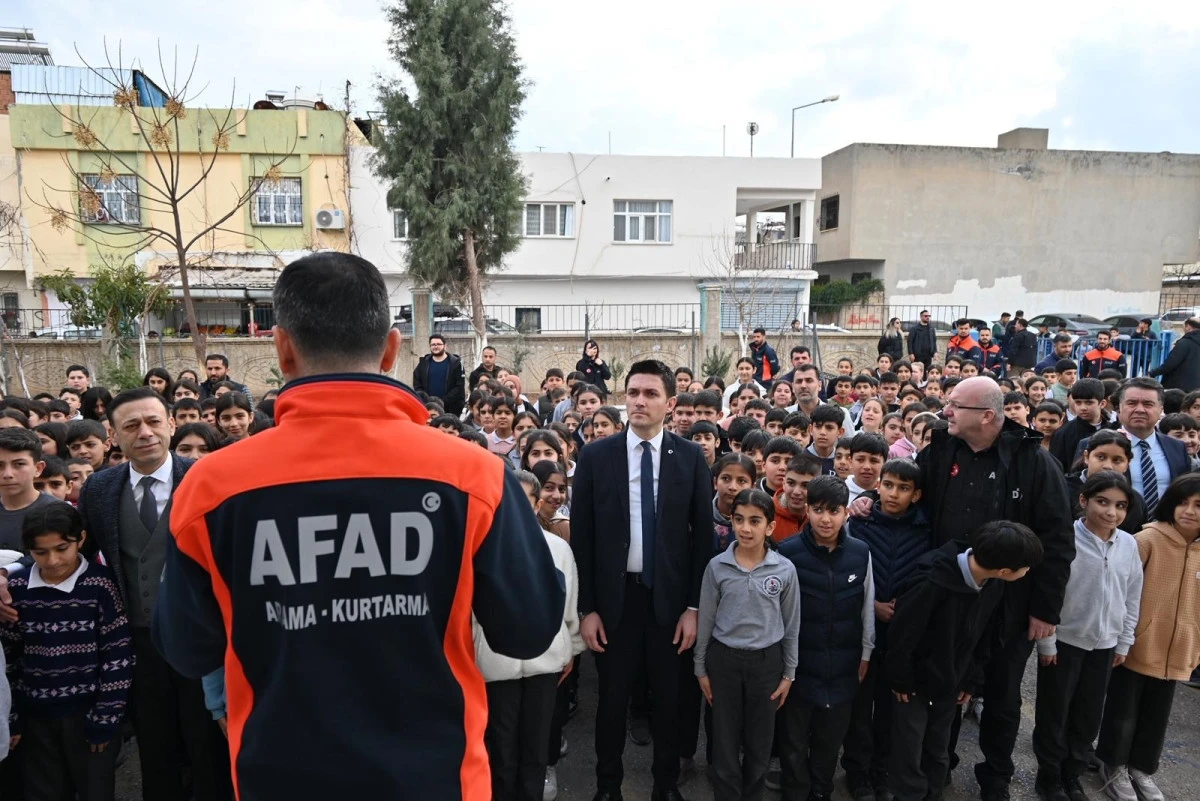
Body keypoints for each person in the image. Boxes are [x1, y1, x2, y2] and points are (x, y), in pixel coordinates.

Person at [150, 253, 565, 800]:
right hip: (437, 779)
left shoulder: (211, 488)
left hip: (278, 777)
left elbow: (185, 649)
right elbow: (529, 628)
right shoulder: (475, 477)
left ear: (282, 348)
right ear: (392, 349)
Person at [61, 387, 235, 801]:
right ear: (113, 436)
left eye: (154, 421)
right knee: (155, 745)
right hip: (136, 641)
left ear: (171, 425)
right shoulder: (100, 489)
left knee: (206, 743)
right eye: (131, 425)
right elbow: (80, 552)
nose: (145, 433)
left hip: (201, 638)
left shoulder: (207, 478)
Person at [916, 377, 1074, 801]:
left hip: (1011, 604)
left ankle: (996, 777)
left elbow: (1057, 543)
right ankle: (938, 765)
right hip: (951, 597)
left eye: (955, 405)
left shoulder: (1034, 463)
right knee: (944, 685)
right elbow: (911, 500)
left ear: (987, 416)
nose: (945, 411)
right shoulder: (941, 450)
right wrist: (868, 503)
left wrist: (1045, 610)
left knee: (1003, 697)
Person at [571, 359, 713, 801]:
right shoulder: (596, 457)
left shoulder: (689, 458)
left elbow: (702, 541)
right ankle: (608, 787)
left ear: (670, 404)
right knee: (611, 703)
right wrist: (587, 608)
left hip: (670, 605)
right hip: (616, 602)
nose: (639, 401)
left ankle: (665, 786)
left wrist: (693, 608)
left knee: (669, 702)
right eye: (633, 392)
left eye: (651, 394)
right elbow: (584, 539)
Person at [886, 522, 1045, 801]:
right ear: (1005, 571)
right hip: (912, 687)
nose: (1027, 572)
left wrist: (972, 678)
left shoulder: (992, 585)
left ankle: (932, 794)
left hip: (951, 684)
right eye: (1025, 568)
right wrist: (901, 679)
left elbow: (982, 638)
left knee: (938, 748)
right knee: (908, 750)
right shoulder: (931, 581)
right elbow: (902, 634)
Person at [0, 501, 133, 801]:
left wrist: (107, 717)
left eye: (62, 548)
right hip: (36, 721)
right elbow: (9, 658)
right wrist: (12, 717)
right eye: (41, 552)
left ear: (81, 540)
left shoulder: (100, 585)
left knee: (95, 791)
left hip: (88, 717)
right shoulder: (16, 588)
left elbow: (118, 654)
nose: (54, 560)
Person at [1033, 472, 1142, 801]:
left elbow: (1132, 594)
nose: (1111, 512)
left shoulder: (1129, 544)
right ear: (1083, 501)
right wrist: (1047, 641)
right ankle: (1049, 776)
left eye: (1120, 506)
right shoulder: (1067, 540)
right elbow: (1049, 595)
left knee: (1087, 715)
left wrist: (1124, 640)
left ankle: (1073, 773)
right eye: (1103, 502)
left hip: (1105, 644)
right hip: (1065, 642)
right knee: (1055, 713)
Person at [478, 469, 583, 801]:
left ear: (538, 503)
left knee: (536, 747)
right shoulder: (480, 547)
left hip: (546, 662)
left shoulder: (557, 549)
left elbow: (568, 606)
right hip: (496, 664)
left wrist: (570, 648)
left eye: (525, 500)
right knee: (502, 747)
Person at [1096, 474, 1200, 801]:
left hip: (1180, 646)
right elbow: (1120, 590)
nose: (1190, 511)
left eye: (1199, 505)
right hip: (1139, 642)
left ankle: (1142, 767)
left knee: (1158, 714)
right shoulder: (1148, 540)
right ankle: (1112, 764)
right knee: (1123, 710)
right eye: (1183, 502)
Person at [695, 488, 800, 801]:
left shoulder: (784, 570)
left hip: (767, 663)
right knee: (724, 740)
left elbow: (792, 625)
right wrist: (700, 666)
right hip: (724, 661)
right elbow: (706, 620)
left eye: (755, 521)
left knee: (760, 742)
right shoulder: (717, 567)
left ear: (769, 527)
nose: (746, 528)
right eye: (739, 519)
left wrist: (789, 673)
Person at [777, 477, 875, 801]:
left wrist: (865, 653)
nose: (825, 518)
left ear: (846, 513)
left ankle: (821, 791)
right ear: (807, 510)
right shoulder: (788, 553)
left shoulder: (860, 553)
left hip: (843, 668)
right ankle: (795, 791)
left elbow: (866, 607)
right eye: (818, 510)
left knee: (828, 743)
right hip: (799, 669)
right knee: (793, 743)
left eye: (833, 511)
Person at [841, 458, 933, 801]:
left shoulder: (926, 530)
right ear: (878, 485)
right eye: (889, 485)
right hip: (864, 631)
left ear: (917, 494)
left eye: (904, 488)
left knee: (892, 710)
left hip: (904, 637)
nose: (894, 494)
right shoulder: (860, 524)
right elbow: (849, 577)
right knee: (860, 708)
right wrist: (874, 606)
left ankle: (882, 770)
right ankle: (858, 771)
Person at [1116, 378, 1191, 513]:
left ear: (1161, 409)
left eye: (1148, 404)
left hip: (1164, 529)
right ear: (1120, 407)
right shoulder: (1096, 445)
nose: (1139, 410)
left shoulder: (1177, 448)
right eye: (1132, 403)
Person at [0, 428, 59, 552]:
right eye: (0, 466)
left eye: (19, 464)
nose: (7, 474)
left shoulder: (56, 511)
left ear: (38, 468)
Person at [1048, 378, 1111, 472]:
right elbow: (1056, 470)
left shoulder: (1113, 430)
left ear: (1102, 404)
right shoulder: (1063, 433)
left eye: (1089, 402)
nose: (1083, 408)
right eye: (1078, 402)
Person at [413, 334, 467, 417]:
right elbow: (417, 382)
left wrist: (442, 401)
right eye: (433, 344)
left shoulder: (456, 364)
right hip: (428, 408)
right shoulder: (423, 363)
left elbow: (459, 387)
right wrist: (426, 399)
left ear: (445, 346)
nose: (436, 347)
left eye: (438, 344)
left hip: (451, 408)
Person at [1149, 316, 1200, 391]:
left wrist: (1152, 373)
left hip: (1178, 387)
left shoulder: (1184, 343)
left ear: (1188, 327)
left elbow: (1171, 363)